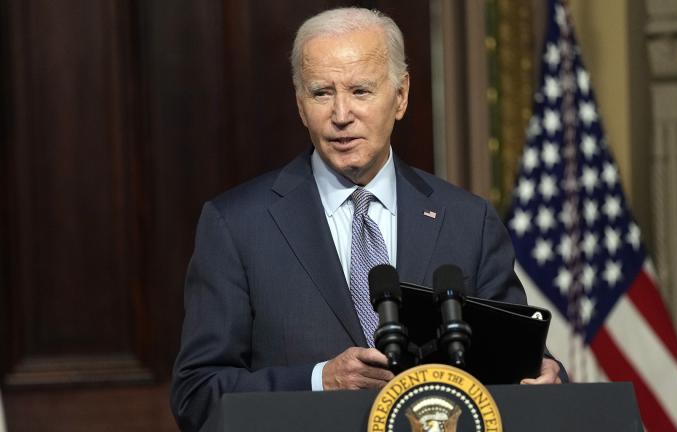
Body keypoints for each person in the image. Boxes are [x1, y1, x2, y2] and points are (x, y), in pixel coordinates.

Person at [170, 7, 564, 431]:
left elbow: (520, 362)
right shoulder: (237, 226)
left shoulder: (468, 221)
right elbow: (197, 395)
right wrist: (320, 380)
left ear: (401, 96)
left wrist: (545, 375)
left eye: (360, 91)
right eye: (322, 93)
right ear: (300, 104)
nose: (341, 114)